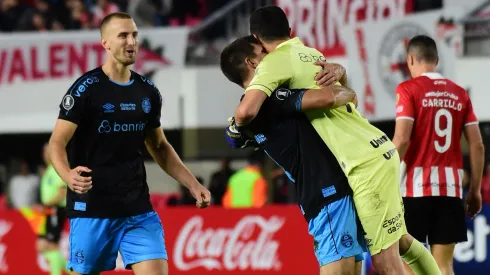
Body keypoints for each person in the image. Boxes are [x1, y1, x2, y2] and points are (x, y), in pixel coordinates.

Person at [230, 6, 441, 275]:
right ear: (290, 31)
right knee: (401, 242)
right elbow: (349, 97)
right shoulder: (312, 54)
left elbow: (246, 111)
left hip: (362, 163)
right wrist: (343, 77)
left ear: (257, 38)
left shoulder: (273, 63)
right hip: (375, 149)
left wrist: (235, 129)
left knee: (385, 263)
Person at [48, 12, 211, 275]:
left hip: (137, 209)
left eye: (134, 35)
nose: (131, 41)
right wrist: (67, 175)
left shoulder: (148, 92)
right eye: (123, 35)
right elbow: (57, 142)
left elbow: (159, 146)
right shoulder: (85, 90)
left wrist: (193, 184)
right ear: (106, 43)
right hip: (93, 209)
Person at [220, 35, 365, 275]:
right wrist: (344, 84)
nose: (273, 57)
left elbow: (233, 135)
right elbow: (331, 97)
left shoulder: (252, 109)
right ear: (252, 63)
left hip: (327, 188)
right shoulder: (269, 100)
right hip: (325, 191)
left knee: (351, 267)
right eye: (265, 54)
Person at [392, 35, 484, 275]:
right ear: (437, 60)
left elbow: (402, 139)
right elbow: (477, 145)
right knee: (444, 266)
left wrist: (384, 177)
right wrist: (474, 190)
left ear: (410, 59)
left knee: (408, 263)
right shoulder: (460, 94)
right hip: (450, 190)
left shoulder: (408, 89)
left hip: (413, 190)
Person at [37, 143, 68, 275]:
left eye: (48, 152)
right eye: (44, 152)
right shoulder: (48, 170)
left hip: (56, 209)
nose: (45, 155)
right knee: (41, 245)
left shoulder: (57, 169)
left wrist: (47, 203)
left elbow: (63, 192)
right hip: (49, 211)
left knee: (51, 245)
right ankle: (72, 272)